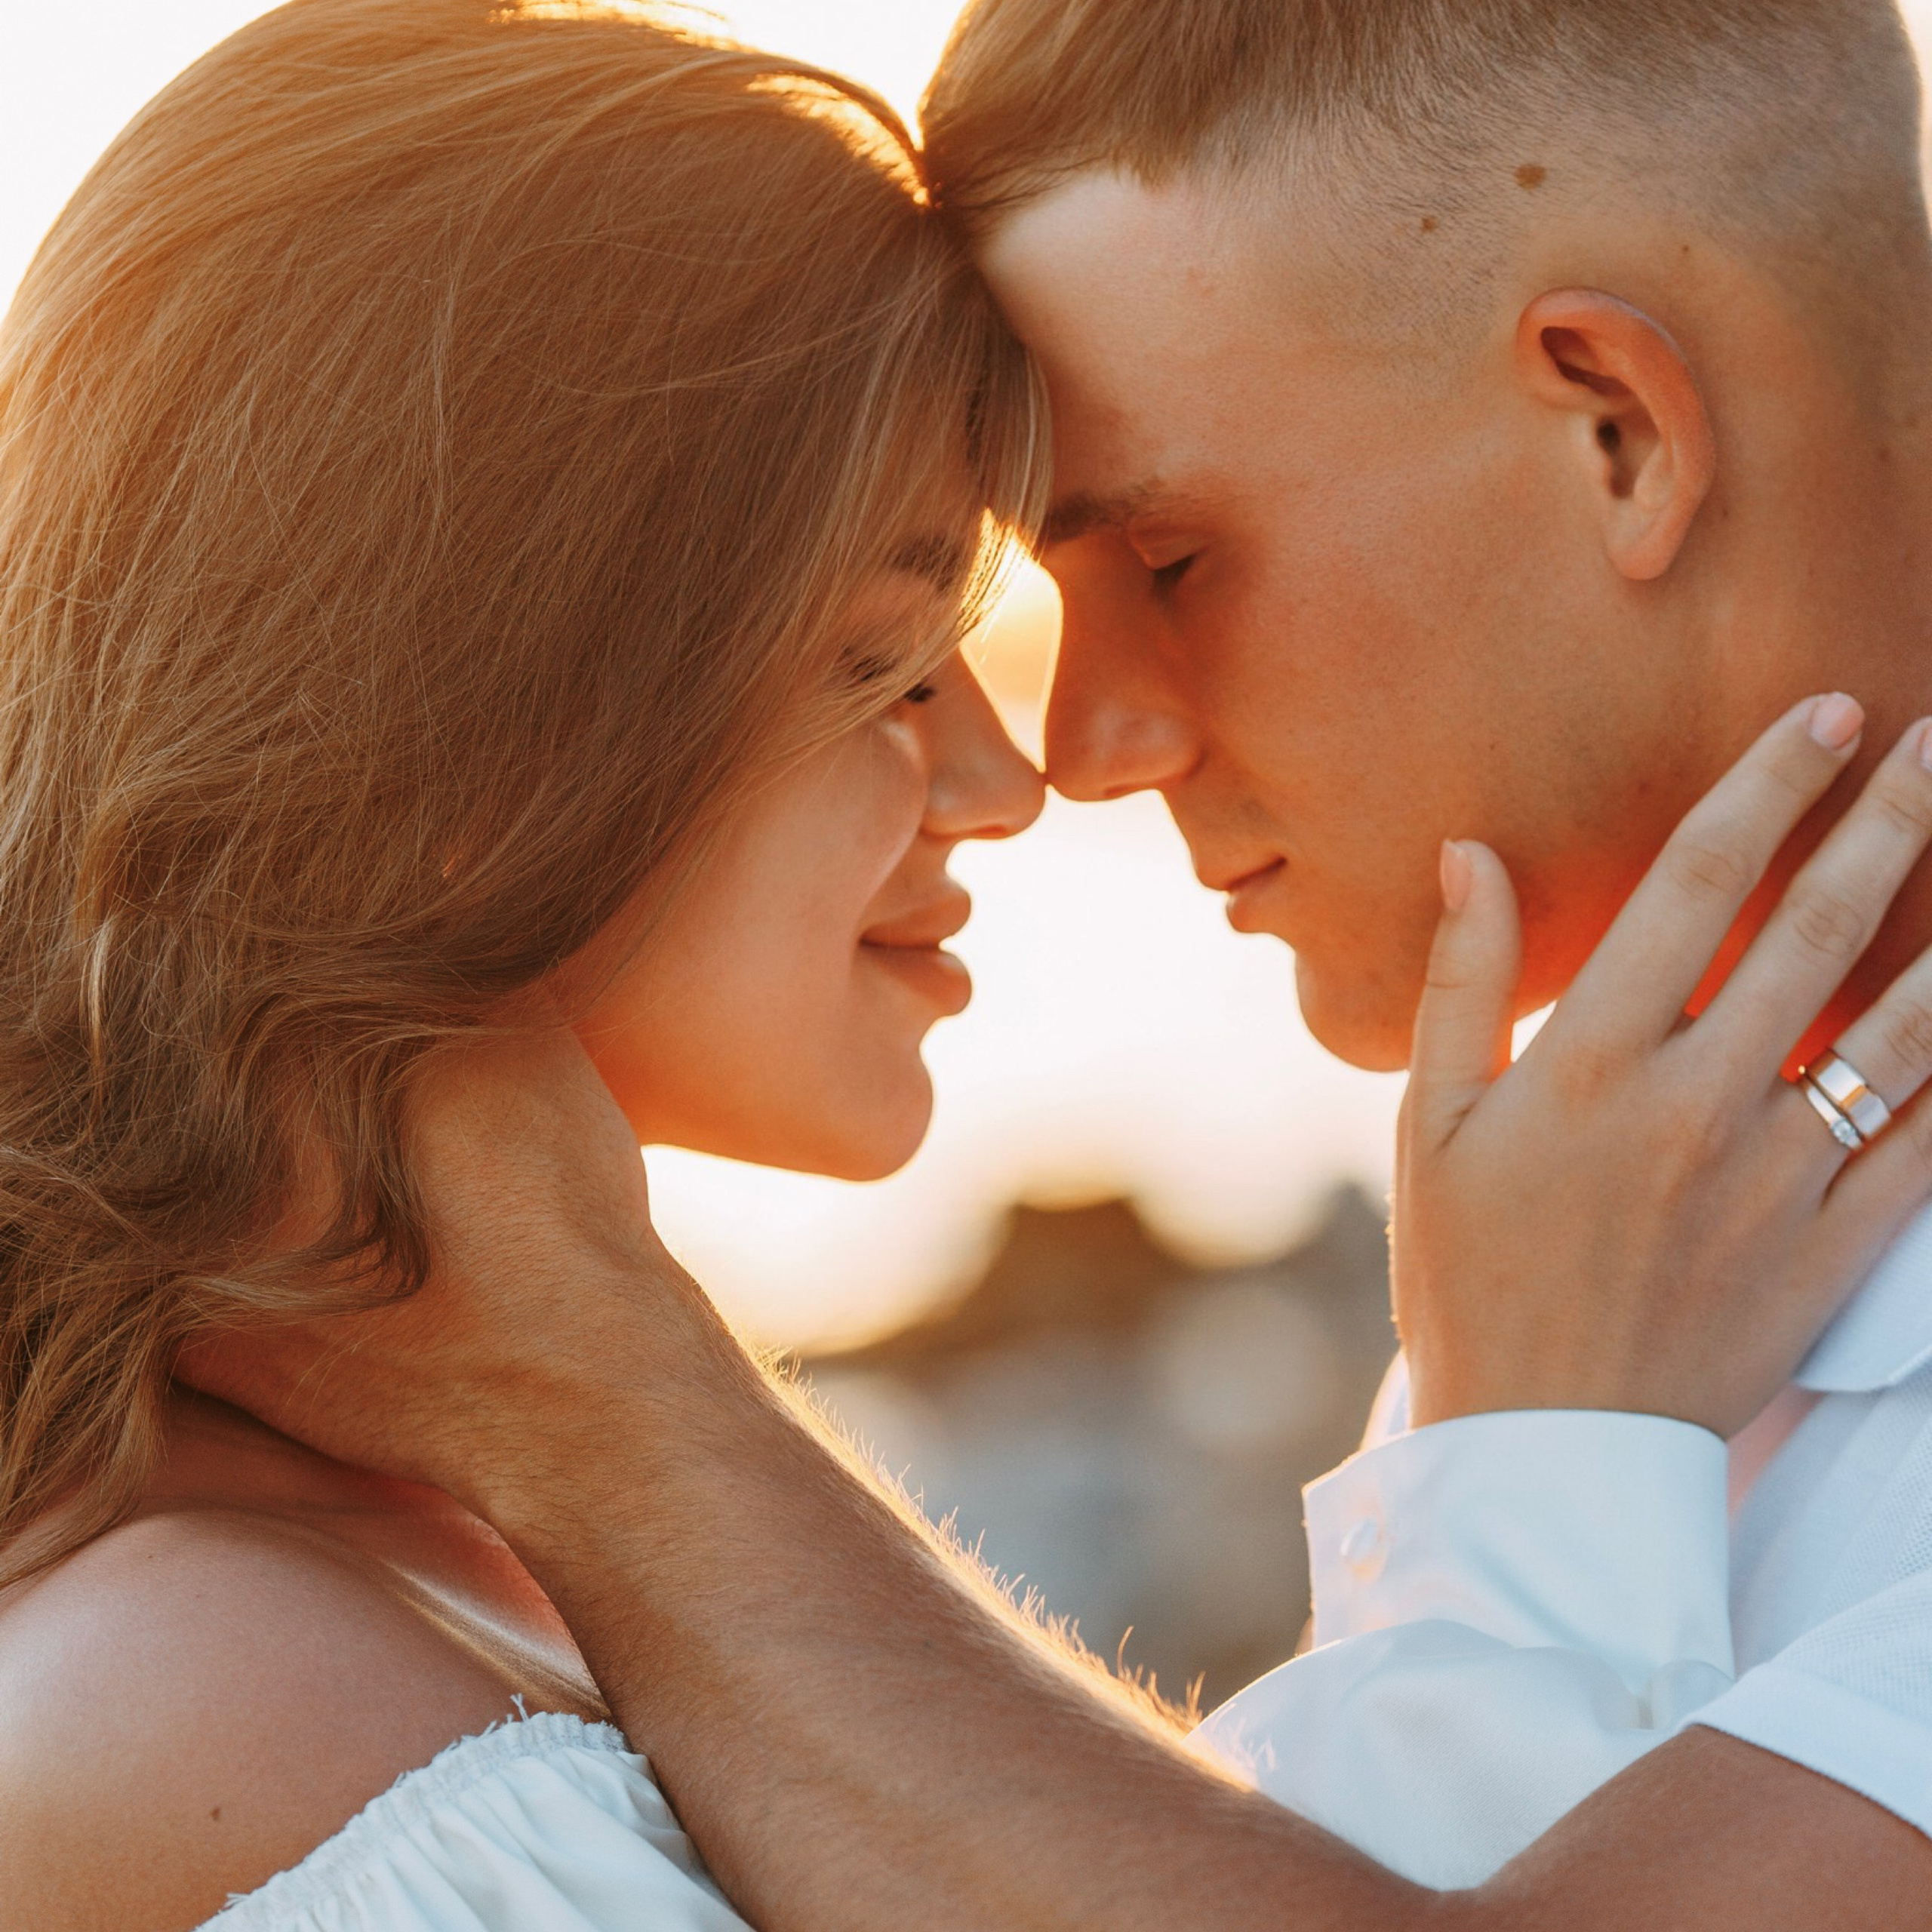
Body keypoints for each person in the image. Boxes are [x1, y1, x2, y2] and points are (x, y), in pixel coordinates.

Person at [178, 0, 1932, 1927]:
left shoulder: (1563, 1373)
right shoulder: (1593, 1283)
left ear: (1614, 425)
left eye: (1170, 558)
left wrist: (601, 1397)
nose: (1076, 751)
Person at [0, 3, 1047, 1925]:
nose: (1003, 774)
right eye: (882, 659)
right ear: (471, 703)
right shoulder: (231, 1694)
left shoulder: (427, 1562)